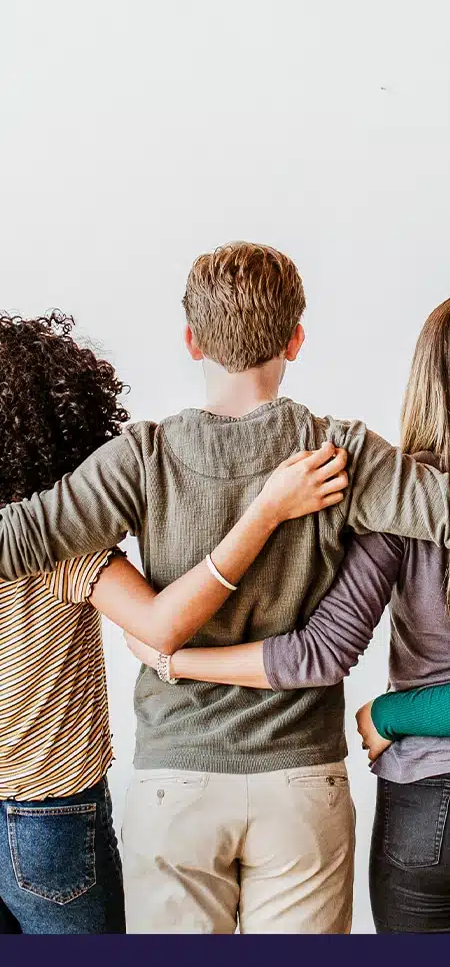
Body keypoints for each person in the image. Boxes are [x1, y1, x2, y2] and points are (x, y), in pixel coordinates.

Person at [2, 245, 450, 934]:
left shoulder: (140, 459)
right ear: (296, 339)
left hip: (173, 786)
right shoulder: (340, 453)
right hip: (302, 781)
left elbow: (18, 539)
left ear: (190, 340)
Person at [0, 310, 347, 935]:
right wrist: (266, 509)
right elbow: (162, 625)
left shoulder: (51, 533)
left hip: (161, 785)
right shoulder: (70, 553)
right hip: (48, 812)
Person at [127, 297, 450, 934]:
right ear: (295, 339)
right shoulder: (394, 492)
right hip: (325, 787)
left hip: (427, 803)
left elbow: (322, 652)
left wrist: (175, 657)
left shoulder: (400, 498)